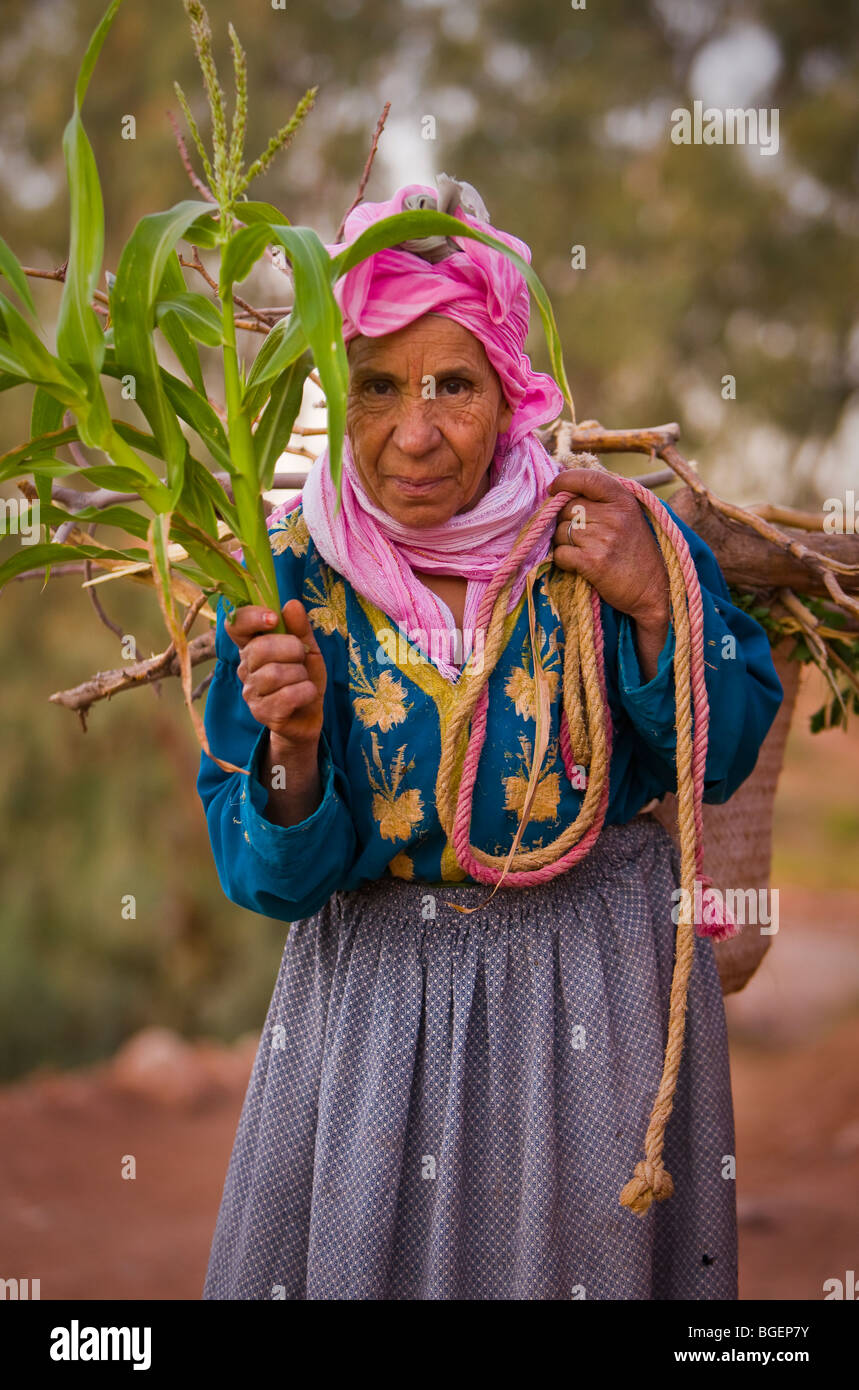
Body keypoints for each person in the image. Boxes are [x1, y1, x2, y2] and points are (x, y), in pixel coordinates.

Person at [197, 176, 784, 1300]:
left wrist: (658, 608)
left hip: (593, 991)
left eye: (453, 385)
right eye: (376, 387)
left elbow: (723, 755)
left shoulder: (606, 533)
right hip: (374, 1014)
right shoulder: (285, 582)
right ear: (336, 391)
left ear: (512, 393)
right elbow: (266, 878)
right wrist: (298, 747)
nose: (413, 434)